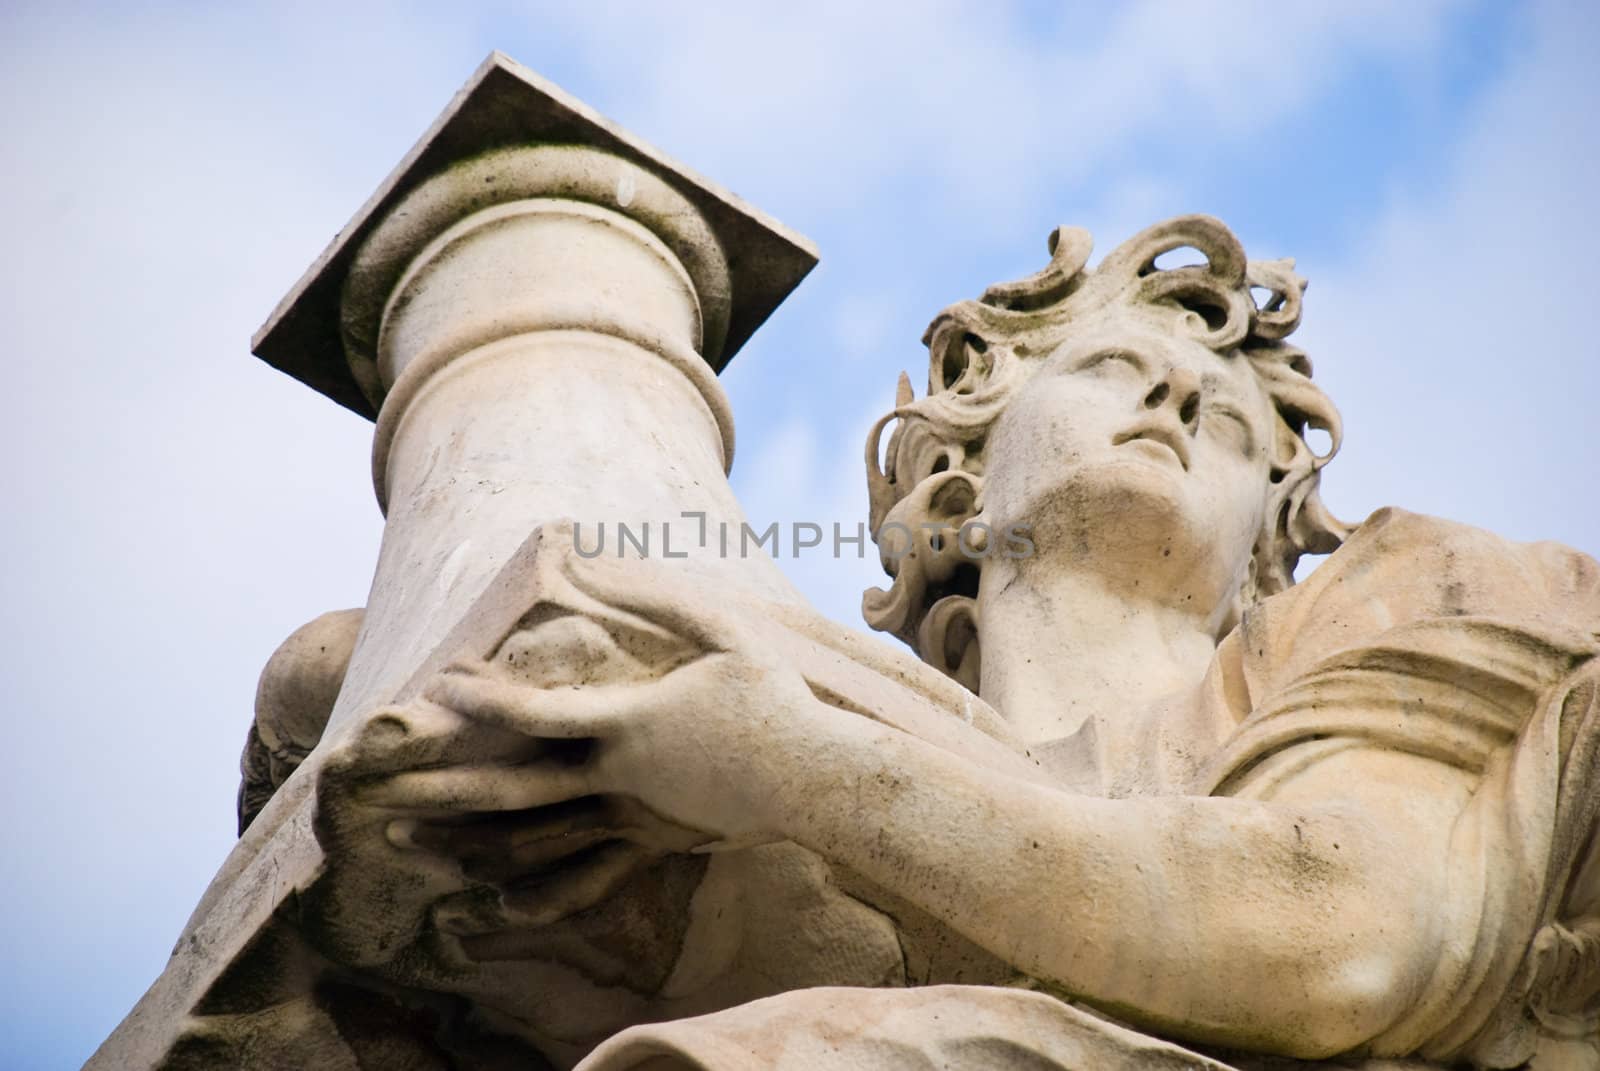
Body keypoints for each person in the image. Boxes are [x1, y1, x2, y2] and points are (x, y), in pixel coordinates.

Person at [326, 216, 1600, 1070]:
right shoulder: (823, 709)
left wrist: (787, 764)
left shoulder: (1396, 593)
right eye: (1110, 367)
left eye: (1226, 423)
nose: (1173, 396)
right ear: (955, 476)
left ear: (1273, 529)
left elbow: (1332, 936)